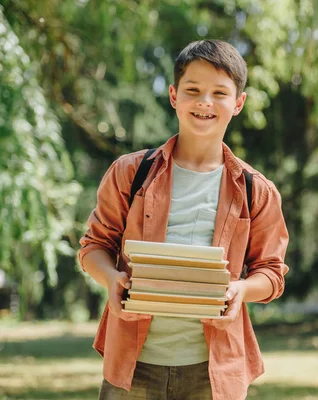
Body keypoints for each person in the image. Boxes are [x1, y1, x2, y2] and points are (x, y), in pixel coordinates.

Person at [79, 39, 289, 400]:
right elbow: (94, 247)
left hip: (214, 371)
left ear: (238, 103)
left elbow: (271, 272)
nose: (205, 102)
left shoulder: (257, 190)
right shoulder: (131, 173)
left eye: (219, 93)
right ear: (174, 96)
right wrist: (111, 278)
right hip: (133, 365)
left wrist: (241, 290)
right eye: (193, 90)